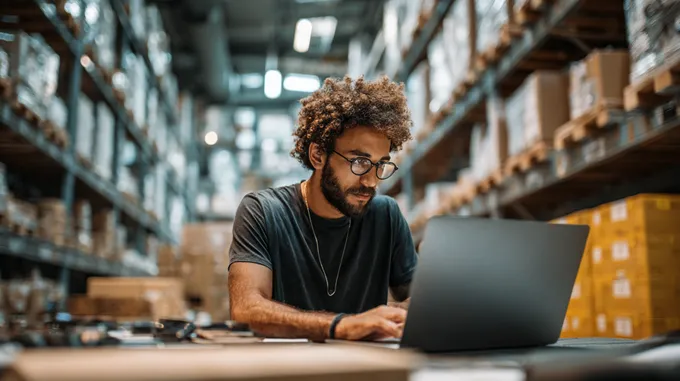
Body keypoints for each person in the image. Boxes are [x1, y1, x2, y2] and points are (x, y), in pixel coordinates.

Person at [228, 75, 418, 342]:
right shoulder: (262, 212)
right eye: (360, 162)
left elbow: (422, 300)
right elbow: (246, 309)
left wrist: (401, 311)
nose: (371, 181)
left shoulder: (386, 215)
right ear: (318, 155)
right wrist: (342, 326)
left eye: (380, 164)